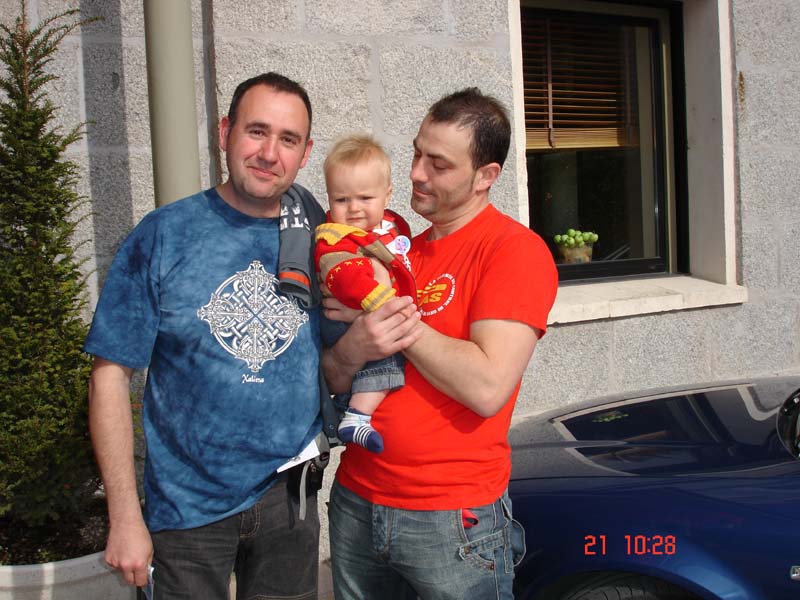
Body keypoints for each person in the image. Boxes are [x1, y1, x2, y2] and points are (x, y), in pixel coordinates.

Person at [86, 72, 330, 599]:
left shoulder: (321, 236)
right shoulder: (163, 235)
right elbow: (109, 374)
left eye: (288, 139)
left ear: (305, 153)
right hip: (187, 511)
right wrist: (123, 516)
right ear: (225, 133)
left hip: (290, 498)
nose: (269, 153)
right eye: (256, 131)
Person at [324, 88, 559, 600]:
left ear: (485, 176)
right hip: (357, 499)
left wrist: (389, 313)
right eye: (416, 153)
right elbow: (335, 378)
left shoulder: (513, 251)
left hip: (450, 518)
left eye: (439, 164)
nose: (416, 173)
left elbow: (486, 387)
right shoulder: (397, 254)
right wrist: (351, 348)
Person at [315, 134, 416, 453]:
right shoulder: (335, 237)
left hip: (361, 310)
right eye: (342, 200)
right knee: (386, 355)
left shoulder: (391, 225)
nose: (354, 209)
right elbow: (344, 275)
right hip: (343, 315)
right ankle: (357, 416)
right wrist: (382, 301)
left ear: (387, 195)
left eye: (365, 198)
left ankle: (346, 406)